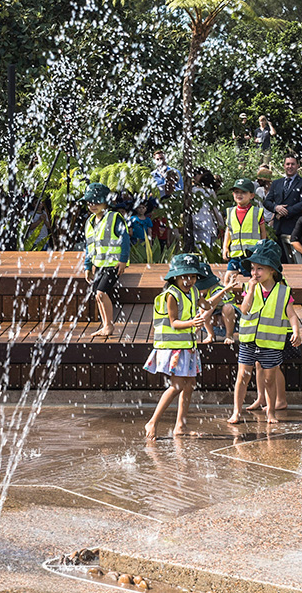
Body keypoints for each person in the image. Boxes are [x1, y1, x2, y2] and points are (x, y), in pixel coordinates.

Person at [143, 254, 235, 438]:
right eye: (184, 277)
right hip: (173, 348)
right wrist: (193, 323)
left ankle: (180, 426)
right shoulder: (171, 295)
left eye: (192, 276)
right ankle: (152, 422)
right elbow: (174, 322)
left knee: (190, 384)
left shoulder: (193, 292)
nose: (188, 280)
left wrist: (225, 290)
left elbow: (208, 304)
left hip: (187, 346)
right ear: (175, 277)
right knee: (177, 386)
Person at [228, 239, 302, 425]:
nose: (255, 273)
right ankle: (236, 412)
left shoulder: (284, 291)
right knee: (242, 377)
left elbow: (291, 315)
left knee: (270, 379)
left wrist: (296, 331)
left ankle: (271, 413)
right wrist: (251, 290)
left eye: (260, 268)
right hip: (249, 340)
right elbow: (244, 310)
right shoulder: (249, 287)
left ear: (272, 271)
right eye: (253, 268)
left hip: (271, 343)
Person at [81, 182, 131, 338]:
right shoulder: (89, 222)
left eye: (97, 202)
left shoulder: (114, 218)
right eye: (89, 202)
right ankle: (105, 325)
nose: (92, 205)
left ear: (106, 201)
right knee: (97, 294)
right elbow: (89, 247)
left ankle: (109, 325)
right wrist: (87, 266)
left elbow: (125, 240)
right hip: (100, 265)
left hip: (114, 264)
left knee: (101, 293)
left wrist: (123, 260)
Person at [262, 155, 302, 261]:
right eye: (288, 164)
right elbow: (267, 202)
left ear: (298, 166)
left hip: (294, 226)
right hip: (277, 227)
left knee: (294, 259)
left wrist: (286, 212)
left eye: (293, 164)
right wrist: (276, 208)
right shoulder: (276, 183)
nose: (290, 166)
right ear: (284, 166)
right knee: (278, 258)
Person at [222, 178, 266, 284]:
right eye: (237, 192)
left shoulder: (257, 212)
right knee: (228, 278)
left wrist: (263, 248)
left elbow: (263, 233)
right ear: (233, 194)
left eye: (243, 192)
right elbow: (228, 231)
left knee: (253, 280)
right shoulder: (230, 211)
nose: (239, 195)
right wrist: (225, 247)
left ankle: (252, 298)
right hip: (235, 254)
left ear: (251, 195)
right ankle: (226, 299)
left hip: (252, 255)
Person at [196, 260, 239, 344]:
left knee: (227, 308)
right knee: (201, 309)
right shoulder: (200, 293)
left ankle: (229, 336)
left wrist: (193, 330)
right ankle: (211, 335)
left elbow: (207, 313)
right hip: (214, 321)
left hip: (230, 320)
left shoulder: (217, 290)